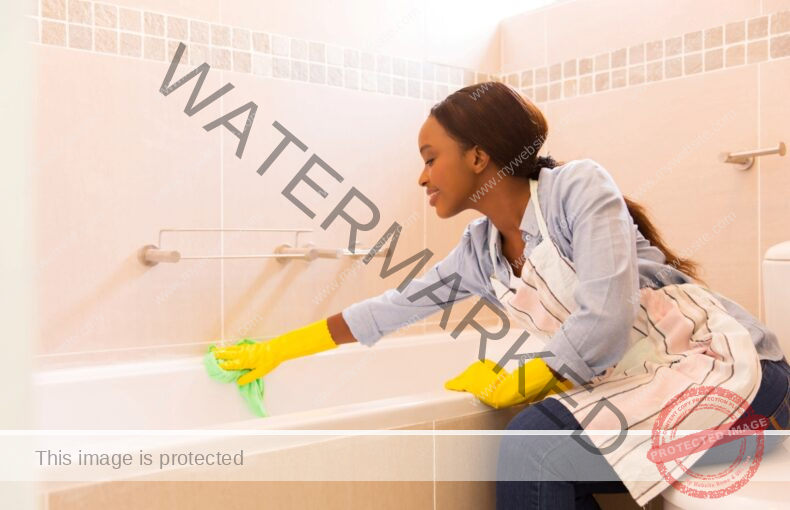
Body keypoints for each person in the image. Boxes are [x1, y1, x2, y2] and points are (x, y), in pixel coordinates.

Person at [212, 81, 790, 509]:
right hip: (640, 393)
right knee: (536, 448)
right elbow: (392, 308)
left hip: (727, 373)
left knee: (532, 445)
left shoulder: (577, 188)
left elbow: (606, 318)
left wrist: (531, 376)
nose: (421, 178)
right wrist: (281, 349)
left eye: (430, 158)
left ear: (479, 157)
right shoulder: (481, 247)